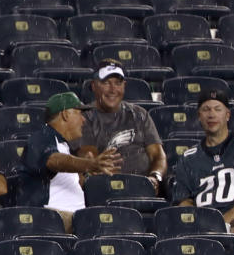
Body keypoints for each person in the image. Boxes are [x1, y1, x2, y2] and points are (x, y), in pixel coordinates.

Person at [171, 89, 234, 234]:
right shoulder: (189, 158)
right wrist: (199, 225)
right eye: (206, 109)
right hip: (201, 232)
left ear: (227, 115)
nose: (211, 114)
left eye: (217, 109)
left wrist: (222, 224)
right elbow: (182, 199)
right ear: (199, 116)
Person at [19, 91, 121, 232]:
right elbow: (53, 160)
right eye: (79, 113)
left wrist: (91, 174)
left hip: (70, 220)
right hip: (50, 219)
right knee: (106, 226)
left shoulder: (64, 146)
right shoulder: (42, 136)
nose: (83, 120)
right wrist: (89, 164)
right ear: (65, 114)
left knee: (114, 223)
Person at [72, 59, 167, 196]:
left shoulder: (139, 114)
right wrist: (123, 182)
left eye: (118, 83)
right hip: (107, 189)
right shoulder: (85, 117)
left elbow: (158, 155)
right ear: (93, 86)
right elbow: (92, 160)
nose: (113, 90)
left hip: (143, 189)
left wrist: (155, 177)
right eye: (106, 83)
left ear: (124, 85)